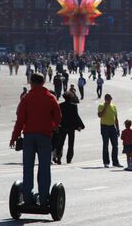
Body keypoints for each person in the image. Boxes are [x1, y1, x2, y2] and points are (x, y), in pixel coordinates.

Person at [10, 73, 61, 206]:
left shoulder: (26, 98)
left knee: (28, 168)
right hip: (44, 136)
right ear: (44, 82)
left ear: (31, 82)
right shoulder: (51, 98)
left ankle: (27, 198)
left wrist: (14, 137)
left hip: (29, 136)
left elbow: (20, 120)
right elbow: (58, 117)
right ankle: (44, 198)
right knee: (44, 167)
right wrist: (52, 126)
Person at [53, 91, 84, 164]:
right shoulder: (74, 106)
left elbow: (58, 116)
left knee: (61, 143)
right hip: (71, 127)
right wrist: (80, 126)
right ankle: (69, 159)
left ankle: (59, 157)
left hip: (62, 126)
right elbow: (76, 116)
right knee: (71, 144)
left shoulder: (60, 105)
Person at [97, 94, 122, 168]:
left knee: (115, 145)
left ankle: (115, 162)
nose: (109, 100)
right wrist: (106, 106)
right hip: (104, 127)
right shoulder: (101, 106)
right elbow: (100, 115)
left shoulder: (113, 106)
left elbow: (116, 118)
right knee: (105, 145)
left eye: (110, 99)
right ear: (105, 99)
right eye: (108, 99)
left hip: (112, 127)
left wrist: (118, 129)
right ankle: (106, 162)